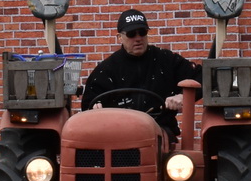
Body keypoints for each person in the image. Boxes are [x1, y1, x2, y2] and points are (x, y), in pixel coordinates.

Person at [80, 10, 201, 140]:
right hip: (117, 137)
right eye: (132, 34)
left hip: (160, 133)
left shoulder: (166, 60)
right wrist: (95, 109)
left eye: (142, 33)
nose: (138, 38)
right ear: (119, 37)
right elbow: (88, 105)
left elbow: (204, 78)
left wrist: (183, 96)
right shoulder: (106, 70)